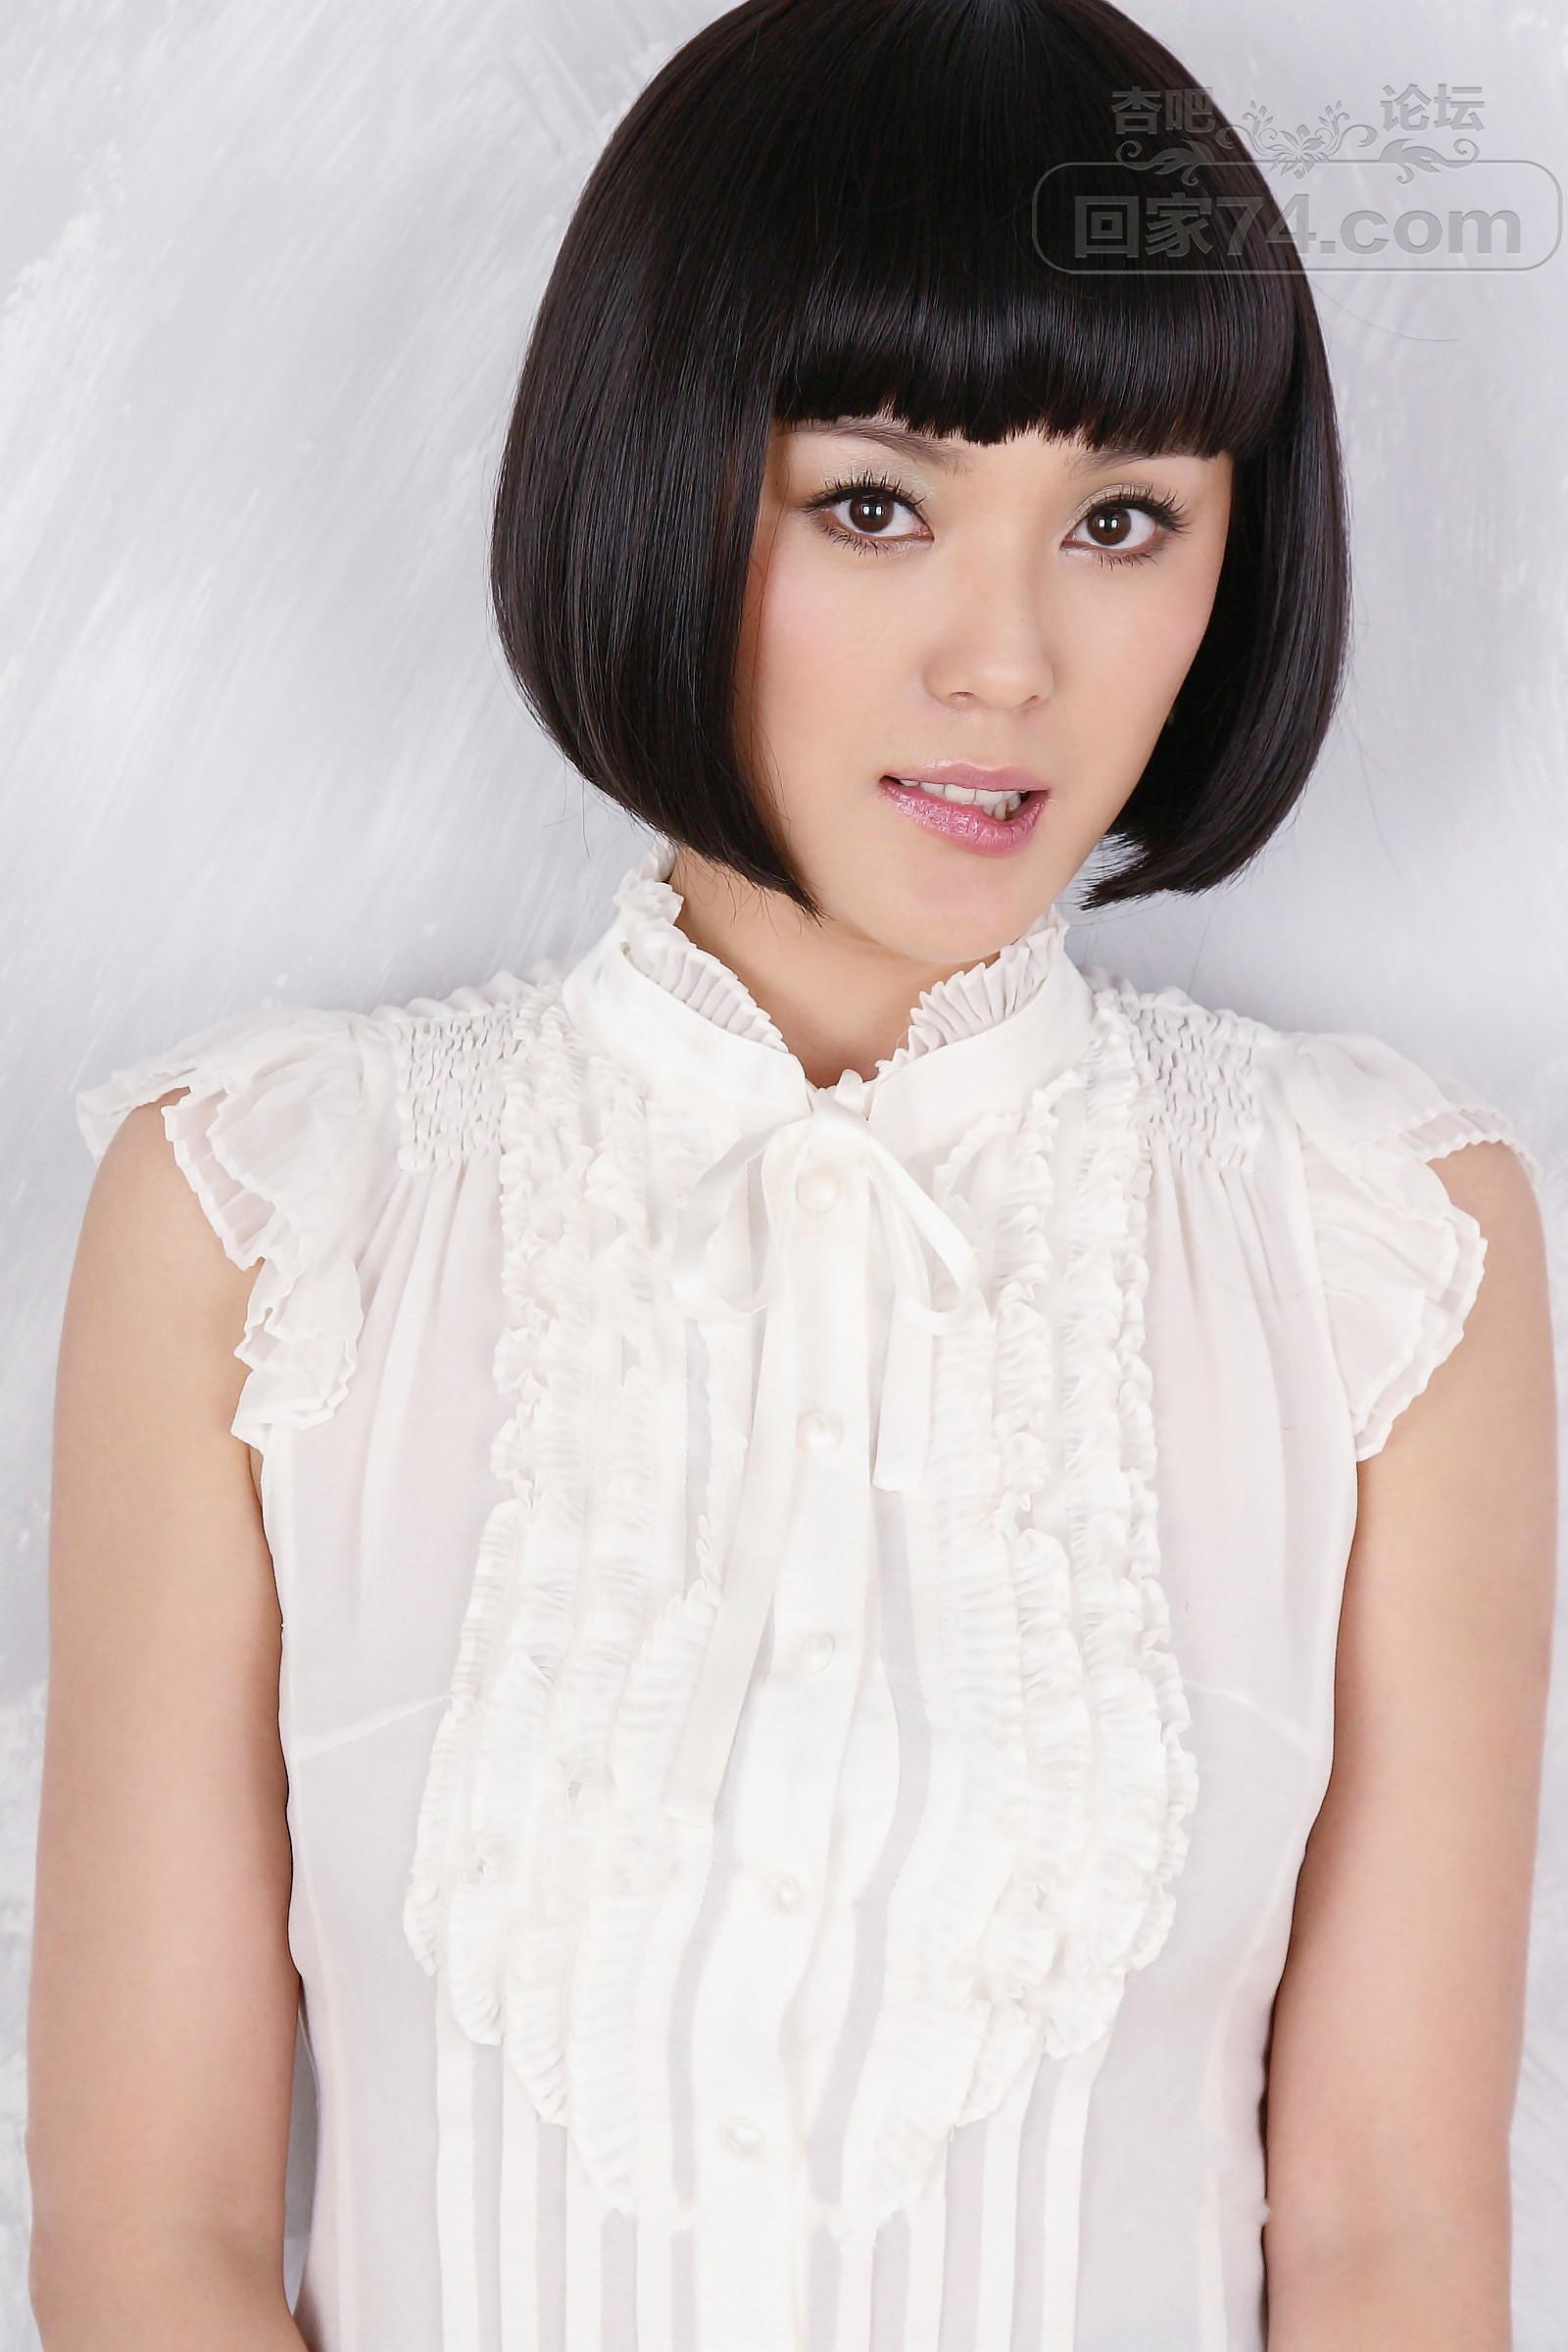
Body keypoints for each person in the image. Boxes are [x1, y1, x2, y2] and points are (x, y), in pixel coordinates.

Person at [28, 0, 1556, 2346]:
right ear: (653, 473)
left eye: (1119, 521)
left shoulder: (1376, 1254)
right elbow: (159, 2237)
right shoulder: (267, 1214)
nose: (1004, 663)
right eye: (872, 503)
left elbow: (1384, 2239)